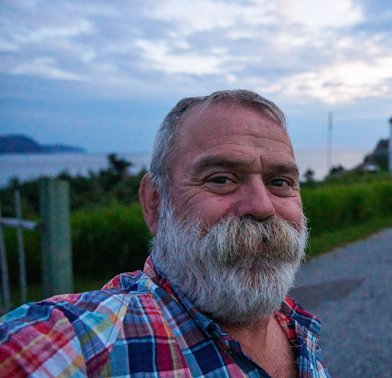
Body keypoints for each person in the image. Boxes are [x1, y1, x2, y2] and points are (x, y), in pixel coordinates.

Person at [0, 90, 330, 377]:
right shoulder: (87, 343)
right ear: (155, 204)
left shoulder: (295, 327)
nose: (262, 206)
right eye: (221, 179)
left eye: (280, 182)